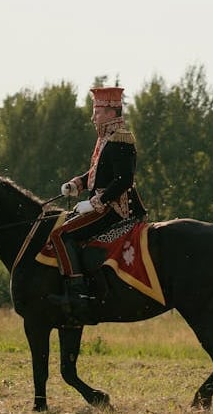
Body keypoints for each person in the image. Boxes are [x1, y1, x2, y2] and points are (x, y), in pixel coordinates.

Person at [52, 86, 148, 325]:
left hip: (115, 209)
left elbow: (123, 181)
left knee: (60, 234)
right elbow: (99, 174)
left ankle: (78, 294)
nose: (92, 117)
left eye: (97, 111)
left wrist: (95, 202)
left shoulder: (121, 138)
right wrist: (77, 183)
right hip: (103, 205)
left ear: (111, 113)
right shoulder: (106, 139)